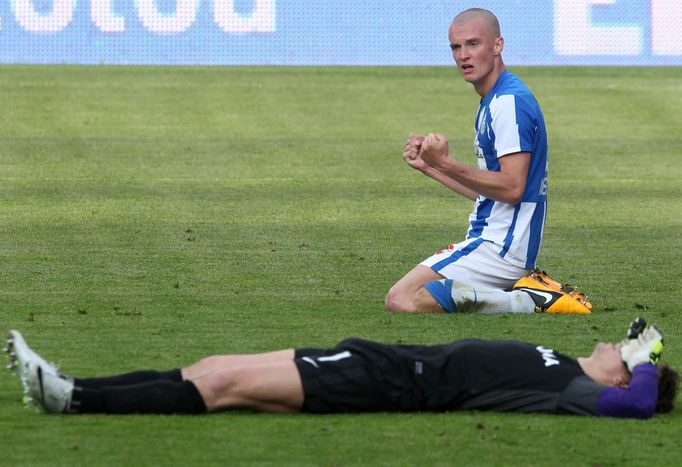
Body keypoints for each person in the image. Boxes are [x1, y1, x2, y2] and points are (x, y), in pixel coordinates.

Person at [5, 319, 677, 418]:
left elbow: (640, 405)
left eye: (628, 354)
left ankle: (71, 401)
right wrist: (640, 348)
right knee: (211, 364)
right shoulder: (560, 359)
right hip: (383, 357)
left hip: (389, 383)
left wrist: (651, 360)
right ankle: (76, 384)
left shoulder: (577, 387)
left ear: (621, 374)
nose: (621, 343)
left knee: (221, 386)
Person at [384, 8, 584, 315]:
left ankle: (530, 300)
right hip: (498, 241)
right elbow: (491, 194)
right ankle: (522, 292)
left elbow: (513, 188)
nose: (463, 55)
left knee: (402, 298)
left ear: (497, 45)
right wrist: (431, 167)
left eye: (473, 44)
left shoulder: (508, 104)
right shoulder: (494, 100)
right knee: (417, 294)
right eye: (456, 47)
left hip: (500, 248)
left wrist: (447, 162)